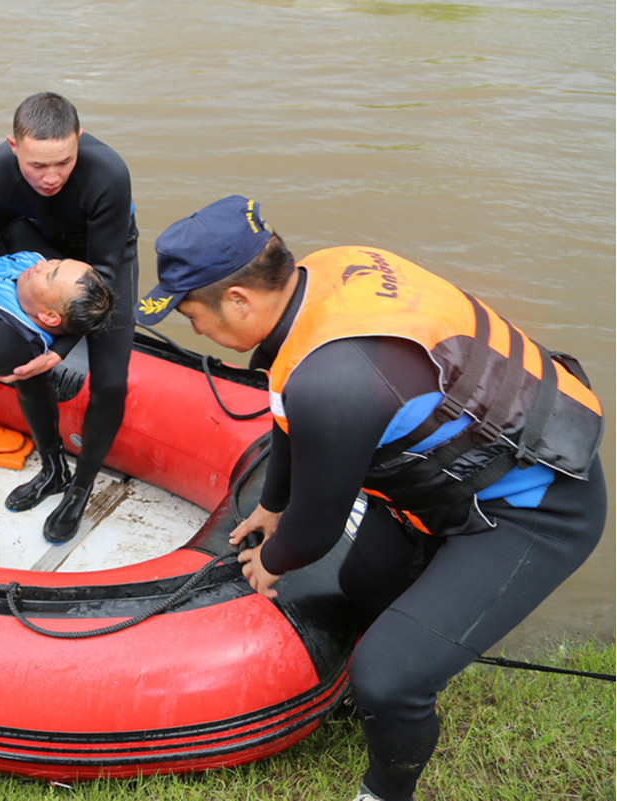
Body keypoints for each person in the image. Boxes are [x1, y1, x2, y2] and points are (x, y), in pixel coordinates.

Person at [135, 195, 606, 801]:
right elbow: (286, 412)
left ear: (239, 300)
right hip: (446, 480)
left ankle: (385, 789)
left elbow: (319, 527)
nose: (193, 328)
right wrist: (272, 503)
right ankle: (390, 683)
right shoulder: (329, 272)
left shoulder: (336, 380)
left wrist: (271, 560)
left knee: (387, 678)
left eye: (191, 313)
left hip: (533, 509)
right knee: (363, 585)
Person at [0, 92, 138, 544]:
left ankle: (80, 487)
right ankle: (53, 468)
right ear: (13, 146)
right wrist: (15, 273)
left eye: (63, 162)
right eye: (36, 166)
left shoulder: (107, 174)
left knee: (110, 382)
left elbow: (102, 277)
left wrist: (58, 347)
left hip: (103, 264)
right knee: (25, 359)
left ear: (79, 140)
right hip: (39, 257)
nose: (51, 177)